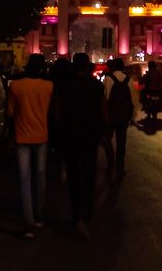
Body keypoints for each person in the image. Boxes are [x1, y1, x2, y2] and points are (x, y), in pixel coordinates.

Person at [57, 52, 107, 239]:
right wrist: (104, 133)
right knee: (88, 178)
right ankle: (85, 220)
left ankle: (75, 216)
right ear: (88, 67)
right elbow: (104, 111)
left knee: (74, 180)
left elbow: (58, 112)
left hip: (70, 137)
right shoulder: (97, 86)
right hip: (89, 138)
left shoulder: (64, 86)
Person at [7, 53, 53, 238]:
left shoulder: (16, 86)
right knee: (40, 178)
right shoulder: (49, 86)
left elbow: (10, 113)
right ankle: (39, 215)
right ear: (43, 69)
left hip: (22, 137)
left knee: (25, 179)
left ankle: (28, 223)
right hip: (42, 136)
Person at [103, 57, 137, 179]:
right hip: (124, 117)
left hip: (111, 116)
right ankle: (120, 169)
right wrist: (133, 116)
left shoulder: (108, 79)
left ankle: (110, 164)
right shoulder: (129, 80)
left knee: (106, 140)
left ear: (112, 67)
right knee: (121, 144)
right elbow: (134, 100)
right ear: (123, 67)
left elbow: (105, 98)